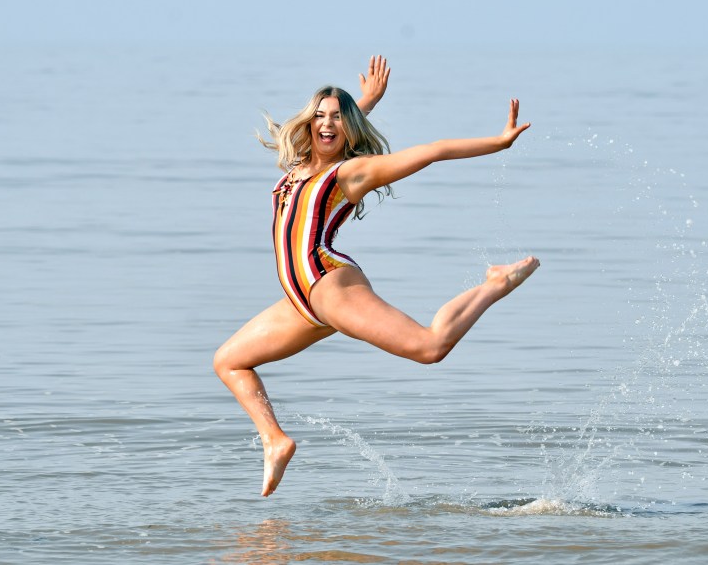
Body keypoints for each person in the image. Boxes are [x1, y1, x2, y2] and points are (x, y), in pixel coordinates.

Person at [213, 56, 540, 497]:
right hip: (301, 301)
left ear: (349, 129)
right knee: (229, 361)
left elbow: (435, 150)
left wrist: (497, 143)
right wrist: (362, 101)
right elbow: (334, 129)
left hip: (329, 283)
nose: (327, 125)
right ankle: (275, 439)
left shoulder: (350, 172)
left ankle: (494, 284)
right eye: (320, 117)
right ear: (310, 122)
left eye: (337, 119)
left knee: (429, 347)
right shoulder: (301, 166)